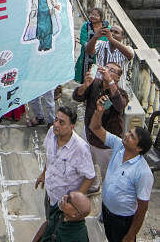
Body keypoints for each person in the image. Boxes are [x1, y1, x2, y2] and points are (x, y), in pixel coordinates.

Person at [90, 96, 154, 242]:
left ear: (138, 148)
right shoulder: (119, 146)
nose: (126, 135)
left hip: (123, 221)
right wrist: (99, 112)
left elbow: (142, 208)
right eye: (129, 132)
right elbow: (95, 128)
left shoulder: (143, 172)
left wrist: (131, 235)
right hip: (106, 211)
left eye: (131, 136)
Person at [73, 63, 128, 184]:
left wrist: (110, 83)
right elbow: (77, 96)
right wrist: (85, 85)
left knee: (107, 172)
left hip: (106, 143)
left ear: (118, 78)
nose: (107, 71)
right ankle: (93, 184)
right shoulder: (95, 83)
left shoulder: (121, 93)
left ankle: (108, 191)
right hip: (88, 134)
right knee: (87, 165)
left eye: (111, 70)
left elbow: (120, 106)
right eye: (106, 67)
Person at [35, 106, 95, 218]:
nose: (56, 125)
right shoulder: (51, 133)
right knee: (49, 222)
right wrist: (44, 174)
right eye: (56, 120)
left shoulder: (80, 149)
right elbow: (50, 159)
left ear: (71, 127)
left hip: (64, 205)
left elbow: (90, 177)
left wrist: (73, 203)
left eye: (61, 122)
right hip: (50, 195)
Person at [74, 7, 110, 84]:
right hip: (86, 55)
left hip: (101, 55)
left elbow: (108, 40)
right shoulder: (86, 26)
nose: (93, 17)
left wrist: (98, 46)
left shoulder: (106, 28)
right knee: (85, 76)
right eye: (92, 14)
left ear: (101, 17)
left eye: (96, 15)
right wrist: (90, 46)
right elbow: (82, 40)